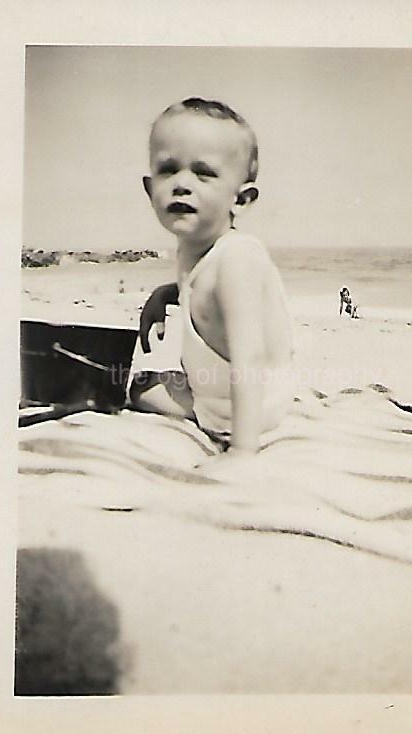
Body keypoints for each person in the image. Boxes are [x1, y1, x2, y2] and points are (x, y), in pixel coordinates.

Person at [129, 98, 295, 466]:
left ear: (243, 199)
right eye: (168, 169)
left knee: (140, 387)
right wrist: (167, 293)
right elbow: (201, 294)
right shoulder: (198, 251)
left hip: (245, 415)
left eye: (203, 173)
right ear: (149, 188)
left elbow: (248, 356)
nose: (182, 185)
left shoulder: (238, 258)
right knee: (143, 388)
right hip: (227, 403)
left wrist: (242, 451)